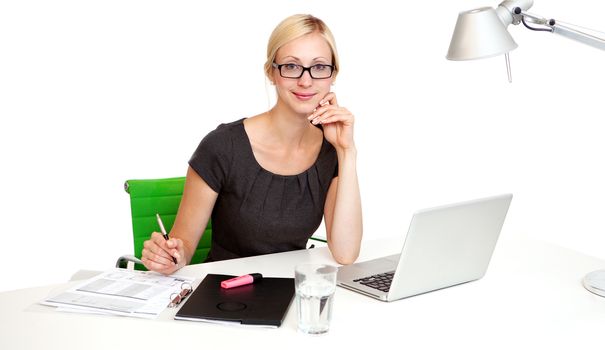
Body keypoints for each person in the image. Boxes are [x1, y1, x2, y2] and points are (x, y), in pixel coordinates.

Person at [141, 14, 362, 274]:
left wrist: (347, 152)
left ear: (332, 74)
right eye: (291, 66)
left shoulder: (330, 150)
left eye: (319, 66)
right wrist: (170, 257)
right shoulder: (223, 146)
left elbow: (346, 253)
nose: (306, 80)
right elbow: (184, 247)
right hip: (223, 292)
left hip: (290, 293)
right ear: (272, 72)